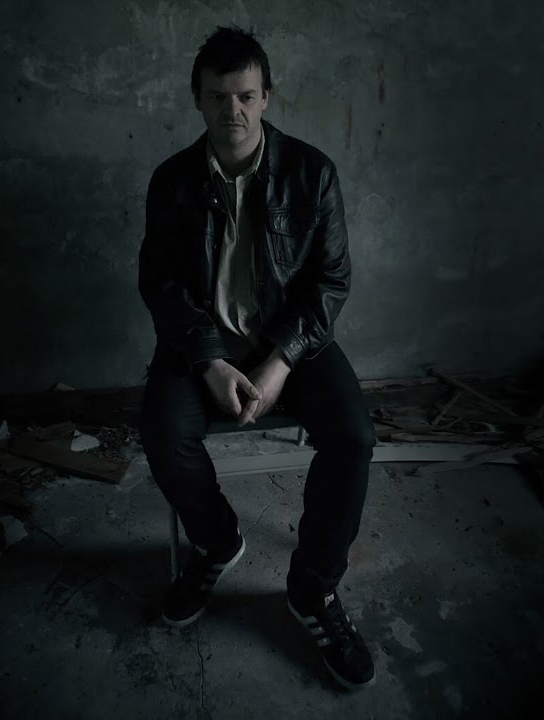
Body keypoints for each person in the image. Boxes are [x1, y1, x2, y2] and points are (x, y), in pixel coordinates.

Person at [137, 26, 377, 690]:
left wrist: (280, 361)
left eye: (245, 95)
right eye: (218, 96)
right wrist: (210, 361)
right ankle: (217, 541)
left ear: (266, 96)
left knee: (354, 437)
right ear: (197, 99)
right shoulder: (171, 182)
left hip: (292, 344)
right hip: (200, 346)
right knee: (162, 431)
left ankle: (313, 588)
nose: (232, 110)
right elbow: (160, 284)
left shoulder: (312, 173)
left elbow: (330, 282)